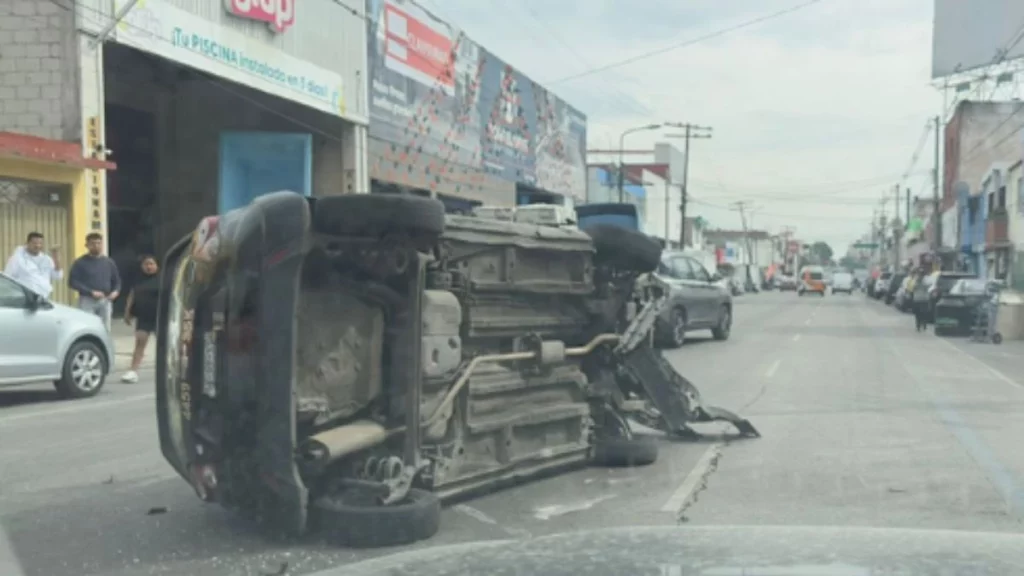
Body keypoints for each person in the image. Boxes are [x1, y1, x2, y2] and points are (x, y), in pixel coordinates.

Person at [69, 232, 121, 330]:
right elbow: (72, 282)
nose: (96, 246)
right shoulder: (80, 262)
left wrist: (115, 291)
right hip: (87, 300)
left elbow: (117, 281)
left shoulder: (109, 262)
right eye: (93, 243)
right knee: (87, 327)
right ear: (87, 245)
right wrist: (91, 292)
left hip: (105, 300)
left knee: (105, 328)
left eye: (99, 243)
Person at [122, 255, 160, 383]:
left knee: (163, 345)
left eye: (151, 264)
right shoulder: (138, 280)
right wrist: (127, 312)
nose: (149, 267)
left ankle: (167, 371)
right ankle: (133, 371)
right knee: (139, 343)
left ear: (157, 265)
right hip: (143, 317)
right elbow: (132, 295)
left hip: (160, 317)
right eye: (146, 264)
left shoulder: (163, 279)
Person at [3, 231, 62, 298]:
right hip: (24, 298)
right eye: (34, 243)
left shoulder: (46, 259)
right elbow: (8, 278)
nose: (37, 246)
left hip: (43, 298)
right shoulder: (17, 258)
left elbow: (57, 276)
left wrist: (56, 258)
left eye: (40, 243)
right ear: (27, 243)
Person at [911, 268, 931, 332]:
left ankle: (920, 324)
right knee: (920, 313)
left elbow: (913, 288)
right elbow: (913, 287)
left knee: (921, 313)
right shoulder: (917, 280)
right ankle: (920, 325)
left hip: (920, 299)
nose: (920, 275)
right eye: (920, 273)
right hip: (921, 299)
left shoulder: (925, 279)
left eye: (921, 274)